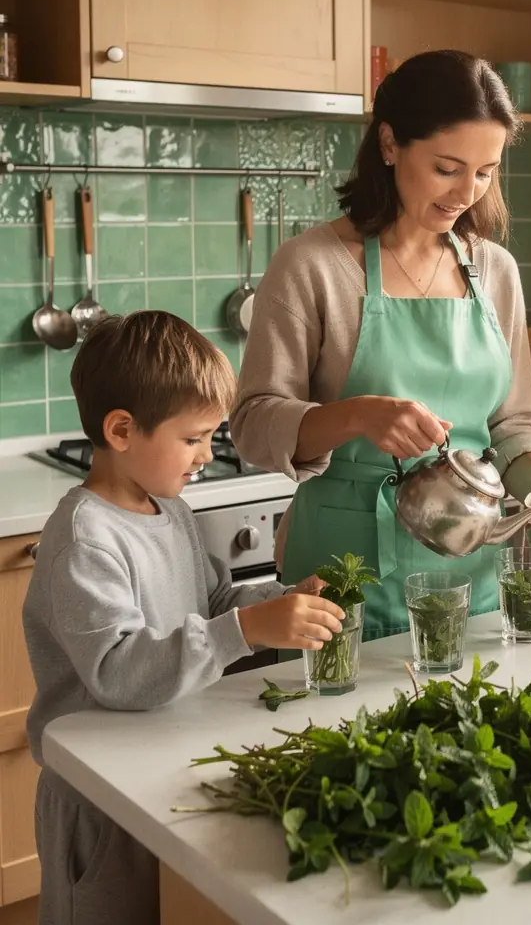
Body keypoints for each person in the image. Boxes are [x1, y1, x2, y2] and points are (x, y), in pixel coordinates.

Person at [230, 49, 531, 639]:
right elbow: (253, 424)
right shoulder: (310, 266)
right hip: (342, 580)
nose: (467, 191)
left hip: (471, 574)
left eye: (486, 171)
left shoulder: (495, 269)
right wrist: (358, 416)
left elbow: (514, 420)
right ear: (390, 144)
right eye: (447, 168)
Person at [23, 312, 343, 925]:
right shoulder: (84, 540)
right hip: (97, 796)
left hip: (161, 765)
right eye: (194, 438)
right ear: (121, 430)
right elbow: (117, 673)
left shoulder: (170, 510)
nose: (207, 455)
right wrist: (246, 632)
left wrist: (278, 606)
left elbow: (214, 606)